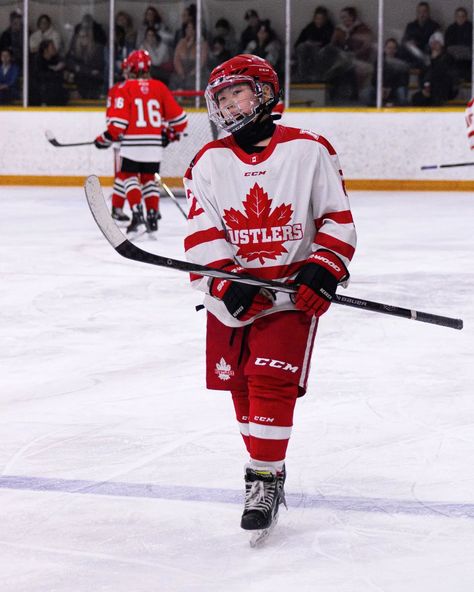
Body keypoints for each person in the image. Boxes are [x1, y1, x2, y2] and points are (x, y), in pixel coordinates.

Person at [183, 54, 356, 536]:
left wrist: (323, 268)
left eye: (237, 92)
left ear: (264, 93)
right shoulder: (208, 161)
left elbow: (336, 218)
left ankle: (261, 477)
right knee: (238, 386)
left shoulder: (308, 150)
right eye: (220, 96)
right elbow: (201, 231)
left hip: (288, 296)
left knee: (268, 380)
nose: (227, 104)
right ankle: (271, 467)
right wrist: (223, 280)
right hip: (231, 296)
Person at [94, 49, 188, 236]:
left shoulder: (124, 88)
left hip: (131, 144)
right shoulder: (159, 87)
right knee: (148, 179)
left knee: (129, 176)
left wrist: (104, 138)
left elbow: (118, 124)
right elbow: (180, 120)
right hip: (154, 145)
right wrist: (168, 135)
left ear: (130, 68)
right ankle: (152, 215)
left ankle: (137, 212)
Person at [411, 32, 458, 106]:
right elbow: (422, 75)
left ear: (441, 44)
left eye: (436, 43)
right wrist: (424, 88)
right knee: (416, 98)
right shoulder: (426, 59)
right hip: (429, 89)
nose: (434, 45)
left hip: (443, 89)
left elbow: (443, 74)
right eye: (432, 43)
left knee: (435, 97)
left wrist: (434, 61)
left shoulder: (448, 58)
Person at [294, 6, 334, 82]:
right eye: (317, 18)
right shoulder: (309, 28)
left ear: (325, 19)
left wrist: (316, 44)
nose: (319, 21)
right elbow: (298, 43)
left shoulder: (329, 28)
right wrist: (307, 43)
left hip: (321, 52)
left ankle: (317, 76)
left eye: (321, 19)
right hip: (306, 51)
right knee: (302, 47)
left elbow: (330, 43)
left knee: (317, 51)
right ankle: (302, 75)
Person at [66, 26, 105, 100]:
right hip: (81, 77)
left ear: (90, 37)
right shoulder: (75, 49)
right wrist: (86, 70)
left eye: (85, 36)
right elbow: (70, 62)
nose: (83, 39)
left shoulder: (98, 49)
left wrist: (80, 68)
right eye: (80, 37)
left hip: (95, 78)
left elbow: (97, 67)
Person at [401, 2, 440, 68]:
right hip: (413, 53)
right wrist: (410, 43)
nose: (422, 14)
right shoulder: (411, 26)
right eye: (419, 12)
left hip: (427, 52)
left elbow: (437, 42)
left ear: (428, 13)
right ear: (417, 13)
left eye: (424, 12)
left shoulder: (435, 26)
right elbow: (405, 40)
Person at [445, 7, 472, 82]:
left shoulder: (471, 28)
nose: (460, 18)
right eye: (458, 16)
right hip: (454, 59)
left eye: (462, 16)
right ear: (455, 17)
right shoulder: (450, 29)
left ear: (466, 17)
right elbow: (448, 45)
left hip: (467, 59)